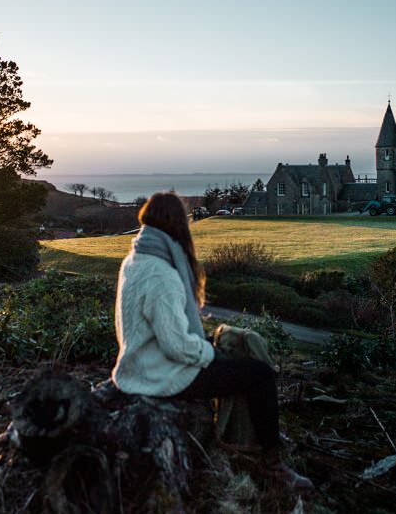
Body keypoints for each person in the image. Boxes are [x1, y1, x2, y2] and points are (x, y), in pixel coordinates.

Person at [111, 192, 313, 490]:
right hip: (160, 374)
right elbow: (177, 346)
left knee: (236, 357)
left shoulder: (134, 260)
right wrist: (211, 353)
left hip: (140, 362)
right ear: (177, 224)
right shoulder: (162, 274)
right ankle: (273, 464)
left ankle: (248, 437)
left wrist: (208, 348)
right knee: (259, 375)